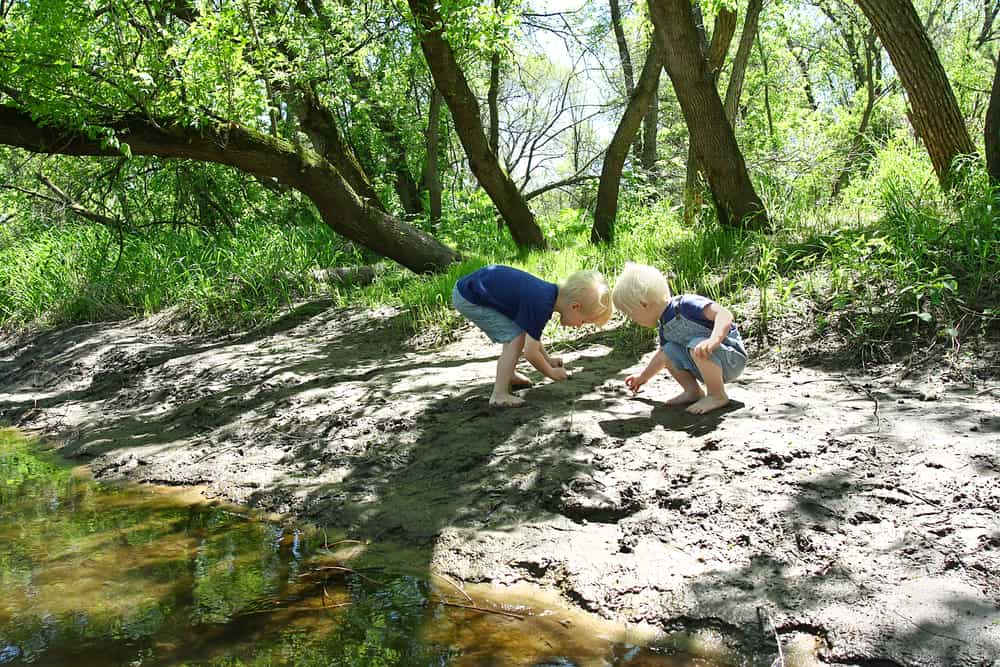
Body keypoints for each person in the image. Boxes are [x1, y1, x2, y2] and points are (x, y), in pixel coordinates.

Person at [452, 264, 612, 407]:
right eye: (583, 321)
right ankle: (499, 394)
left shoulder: (547, 296)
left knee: (518, 333)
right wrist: (551, 373)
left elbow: (531, 334)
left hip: (474, 290)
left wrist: (548, 360)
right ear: (575, 307)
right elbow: (530, 352)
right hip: (470, 297)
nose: (578, 326)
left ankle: (509, 375)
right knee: (515, 338)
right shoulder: (542, 304)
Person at [612, 262, 747, 414]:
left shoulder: (685, 305)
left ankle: (717, 395)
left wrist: (714, 340)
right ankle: (693, 391)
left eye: (631, 314)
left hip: (730, 357)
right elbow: (661, 356)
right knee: (668, 351)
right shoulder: (664, 326)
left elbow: (724, 314)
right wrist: (642, 377)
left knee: (696, 344)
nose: (632, 319)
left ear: (644, 304)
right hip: (707, 363)